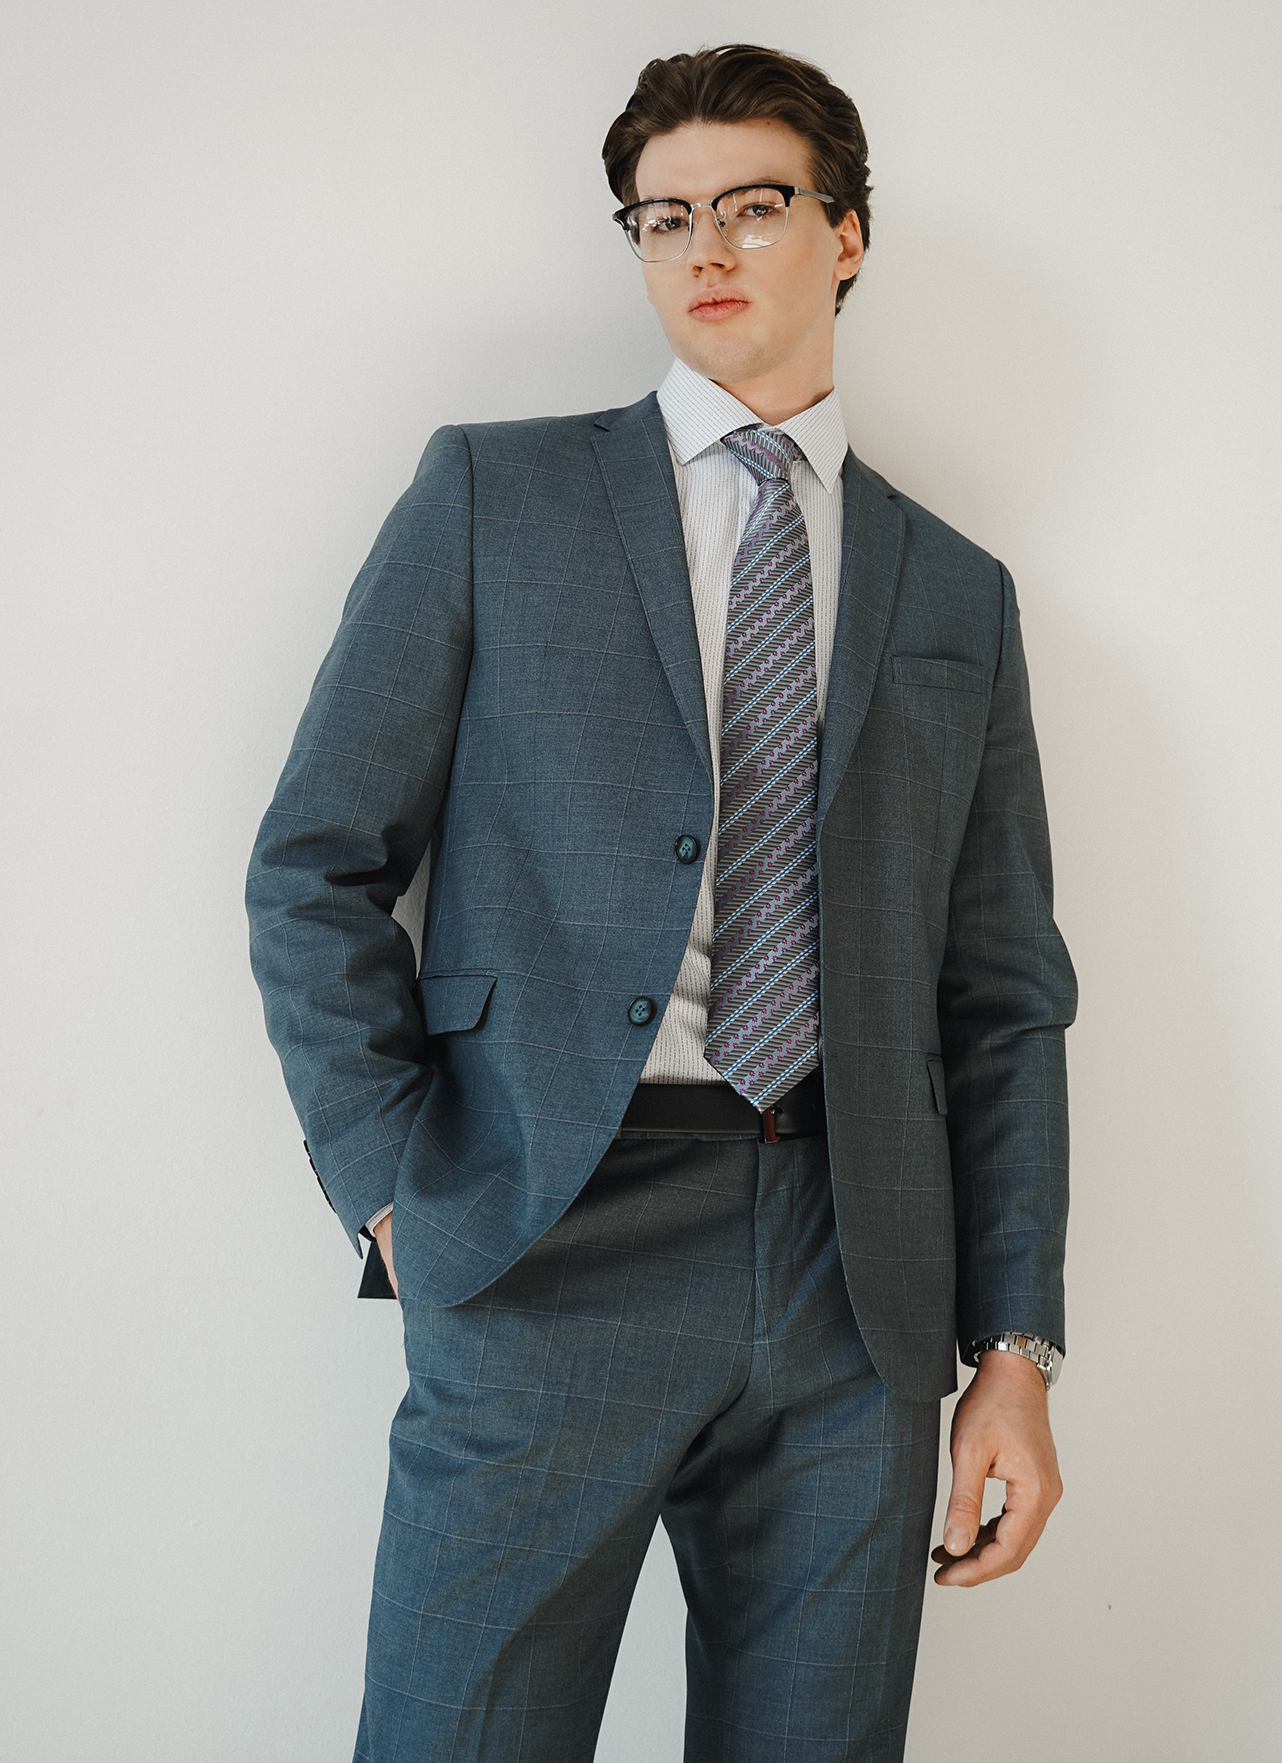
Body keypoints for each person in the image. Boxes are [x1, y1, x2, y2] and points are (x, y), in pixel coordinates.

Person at [247, 41, 1077, 1763]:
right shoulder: (493, 498)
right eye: (662, 216)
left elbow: (999, 995)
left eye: (752, 206)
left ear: (846, 235)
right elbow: (315, 863)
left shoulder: (956, 590)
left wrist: (1011, 1347)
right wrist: (397, 1195)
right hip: (550, 1233)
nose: (703, 247)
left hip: (858, 1274)